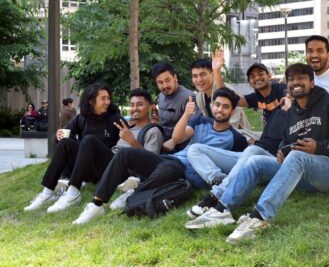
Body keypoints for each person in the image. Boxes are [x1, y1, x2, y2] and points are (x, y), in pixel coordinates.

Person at [185, 63, 329, 244]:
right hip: (311, 175)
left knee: (298, 157)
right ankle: (222, 209)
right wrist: (282, 151)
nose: (296, 82)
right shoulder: (291, 114)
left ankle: (260, 217)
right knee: (256, 160)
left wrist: (320, 147)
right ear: (287, 85)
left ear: (312, 83)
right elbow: (287, 143)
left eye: (301, 78)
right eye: (291, 79)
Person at [72, 87, 248, 225]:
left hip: (186, 174)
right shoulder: (201, 121)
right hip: (171, 161)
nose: (220, 109)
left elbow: (237, 165)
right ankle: (96, 204)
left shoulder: (236, 139)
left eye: (226, 107)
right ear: (212, 105)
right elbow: (178, 137)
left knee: (167, 168)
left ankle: (135, 192)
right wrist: (187, 115)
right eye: (217, 105)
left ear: (233, 111)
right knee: (125, 154)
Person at [24, 83, 123, 212]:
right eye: (103, 98)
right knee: (65, 142)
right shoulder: (81, 118)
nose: (107, 102)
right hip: (86, 169)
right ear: (91, 101)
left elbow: (128, 140)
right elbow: (62, 134)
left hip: (106, 168)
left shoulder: (114, 118)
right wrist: (57, 135)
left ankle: (73, 192)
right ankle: (47, 192)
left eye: (108, 98)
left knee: (88, 141)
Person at [212, 50, 287, 124]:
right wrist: (216, 70)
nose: (257, 78)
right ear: (250, 83)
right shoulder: (255, 98)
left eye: (260, 74)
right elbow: (228, 97)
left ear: (269, 76)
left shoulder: (282, 90)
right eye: (252, 76)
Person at [191, 58, 251, 130]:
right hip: (215, 134)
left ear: (212, 74)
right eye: (195, 76)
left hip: (238, 134)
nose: (199, 79)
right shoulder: (199, 97)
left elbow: (233, 123)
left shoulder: (227, 89)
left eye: (203, 75)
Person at [151, 62, 198, 152]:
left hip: (181, 148)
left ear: (175, 78)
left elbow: (193, 128)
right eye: (160, 82)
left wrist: (173, 141)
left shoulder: (189, 98)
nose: (165, 85)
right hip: (161, 142)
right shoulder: (161, 96)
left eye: (167, 80)